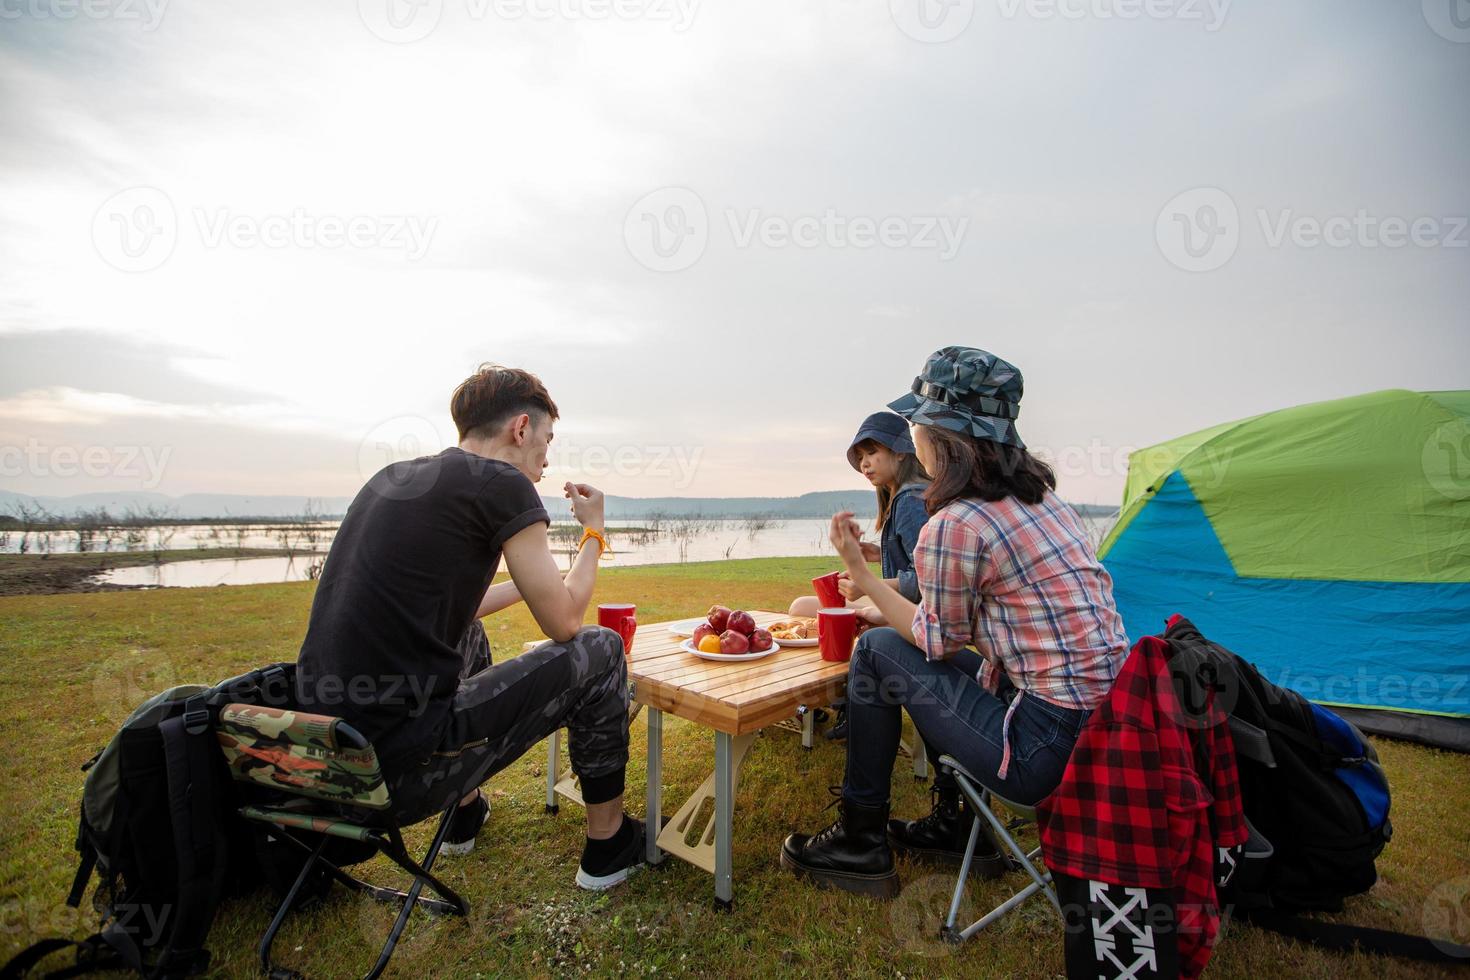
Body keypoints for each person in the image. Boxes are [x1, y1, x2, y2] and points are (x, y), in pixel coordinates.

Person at [780, 347, 1130, 898]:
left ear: (941, 435)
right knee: (899, 647)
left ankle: (860, 840)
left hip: (1042, 747)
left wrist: (862, 577)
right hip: (1107, 732)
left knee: (875, 651)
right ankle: (958, 824)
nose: (913, 431)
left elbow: (936, 640)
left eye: (918, 420)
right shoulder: (1045, 503)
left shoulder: (959, 522)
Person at [295, 364, 646, 891]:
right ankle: (609, 844)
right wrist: (594, 533)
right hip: (398, 772)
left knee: (465, 631)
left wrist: (525, 588)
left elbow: (450, 604)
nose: (546, 458)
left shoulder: (392, 479)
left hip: (325, 754)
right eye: (546, 440)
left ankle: (463, 813)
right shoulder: (503, 484)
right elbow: (567, 621)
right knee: (601, 648)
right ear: (520, 428)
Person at [788, 412, 929, 741]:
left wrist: (868, 582)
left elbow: (926, 582)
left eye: (872, 454)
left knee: (808, 611)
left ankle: (844, 701)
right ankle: (839, 699)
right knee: (804, 609)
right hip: (905, 607)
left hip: (914, 616)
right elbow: (917, 562)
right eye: (861, 457)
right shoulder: (903, 495)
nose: (865, 464)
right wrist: (875, 554)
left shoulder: (909, 501)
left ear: (900, 452)